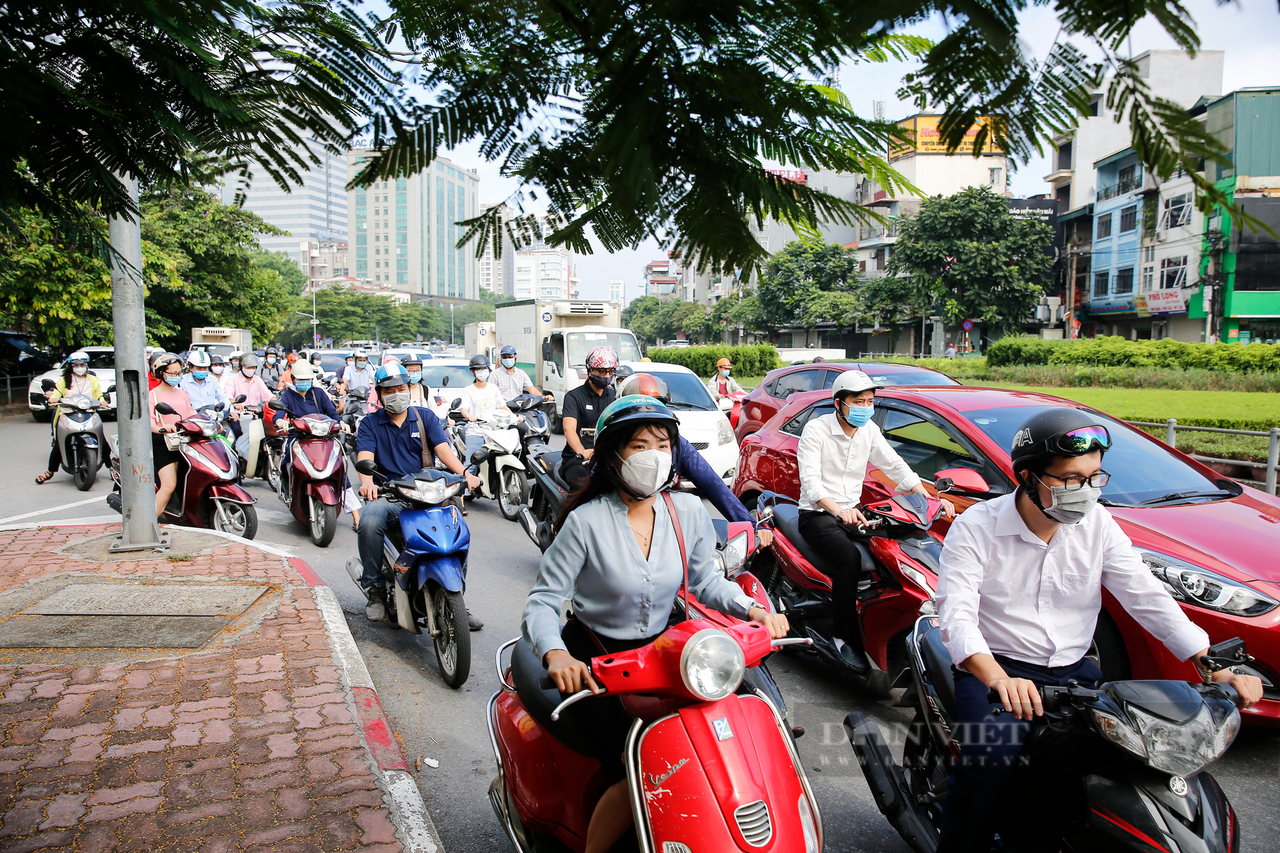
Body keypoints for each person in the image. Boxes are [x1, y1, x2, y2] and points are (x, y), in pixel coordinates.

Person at [934, 409, 1263, 852]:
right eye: (1070, 479)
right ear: (1029, 477)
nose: (1085, 491)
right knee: (988, 764)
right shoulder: (977, 526)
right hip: (996, 674)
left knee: (1132, 755)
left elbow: (1145, 595)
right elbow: (957, 614)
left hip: (1074, 672)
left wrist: (1210, 665)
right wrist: (997, 678)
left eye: (1094, 477)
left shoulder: (1099, 524)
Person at [522, 394, 790, 853]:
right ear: (611, 455)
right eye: (639, 445)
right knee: (639, 768)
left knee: (734, 738)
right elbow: (544, 601)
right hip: (594, 660)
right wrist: (556, 653)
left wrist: (754, 610)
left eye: (663, 445)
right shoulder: (585, 522)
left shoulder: (686, 512)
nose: (654, 456)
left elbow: (706, 581)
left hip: (668, 655)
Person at [796, 370, 954, 674]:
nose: (866, 407)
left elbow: (896, 466)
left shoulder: (868, 430)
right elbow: (811, 484)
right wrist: (837, 509)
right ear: (839, 403)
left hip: (855, 512)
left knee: (897, 545)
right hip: (818, 515)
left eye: (870, 401)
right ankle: (843, 636)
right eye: (859, 401)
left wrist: (930, 499)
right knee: (849, 558)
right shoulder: (817, 430)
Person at [354, 363, 481, 623]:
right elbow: (365, 456)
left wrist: (465, 474)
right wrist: (368, 483)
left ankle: (456, 599)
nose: (397, 394)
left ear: (409, 389)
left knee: (457, 528)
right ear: (380, 394)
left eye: (401, 388)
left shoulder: (425, 417)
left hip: (427, 493)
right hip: (391, 495)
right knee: (369, 520)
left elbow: (444, 451)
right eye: (390, 390)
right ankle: (375, 590)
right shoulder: (370, 424)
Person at [619, 372, 772, 548]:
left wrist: (750, 527)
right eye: (639, 446)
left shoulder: (687, 505)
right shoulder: (590, 518)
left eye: (662, 445)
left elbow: (714, 485)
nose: (651, 423)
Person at [36, 351, 105, 484]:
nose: (80, 367)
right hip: (68, 413)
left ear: (86, 365)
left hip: (89, 412)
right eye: (76, 365)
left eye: (82, 364)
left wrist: (102, 401)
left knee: (103, 441)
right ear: (71, 366)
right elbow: (56, 393)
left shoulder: (92, 379)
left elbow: (99, 395)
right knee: (58, 445)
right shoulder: (64, 380)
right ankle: (50, 471)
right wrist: (53, 398)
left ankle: (112, 469)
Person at [559, 346, 618, 489]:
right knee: (582, 486)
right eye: (602, 372)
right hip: (578, 459)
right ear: (590, 370)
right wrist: (582, 451)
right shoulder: (574, 397)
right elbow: (569, 430)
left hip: (606, 457)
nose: (606, 376)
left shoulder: (614, 396)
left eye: (610, 372)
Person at [149, 355, 197, 519]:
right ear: (161, 373)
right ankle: (147, 526)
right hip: (163, 442)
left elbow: (191, 414)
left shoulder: (183, 394)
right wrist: (161, 428)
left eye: (179, 373)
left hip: (185, 441)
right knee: (169, 485)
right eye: (172, 373)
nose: (176, 376)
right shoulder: (152, 396)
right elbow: (149, 421)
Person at [458, 354, 514, 463]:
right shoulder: (468, 390)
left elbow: (503, 406)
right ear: (473, 371)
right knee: (472, 463)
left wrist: (514, 417)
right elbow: (463, 409)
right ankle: (466, 479)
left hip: (494, 431)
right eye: (478, 369)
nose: (482, 372)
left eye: (484, 368)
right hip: (476, 431)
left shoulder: (493, 388)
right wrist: (470, 416)